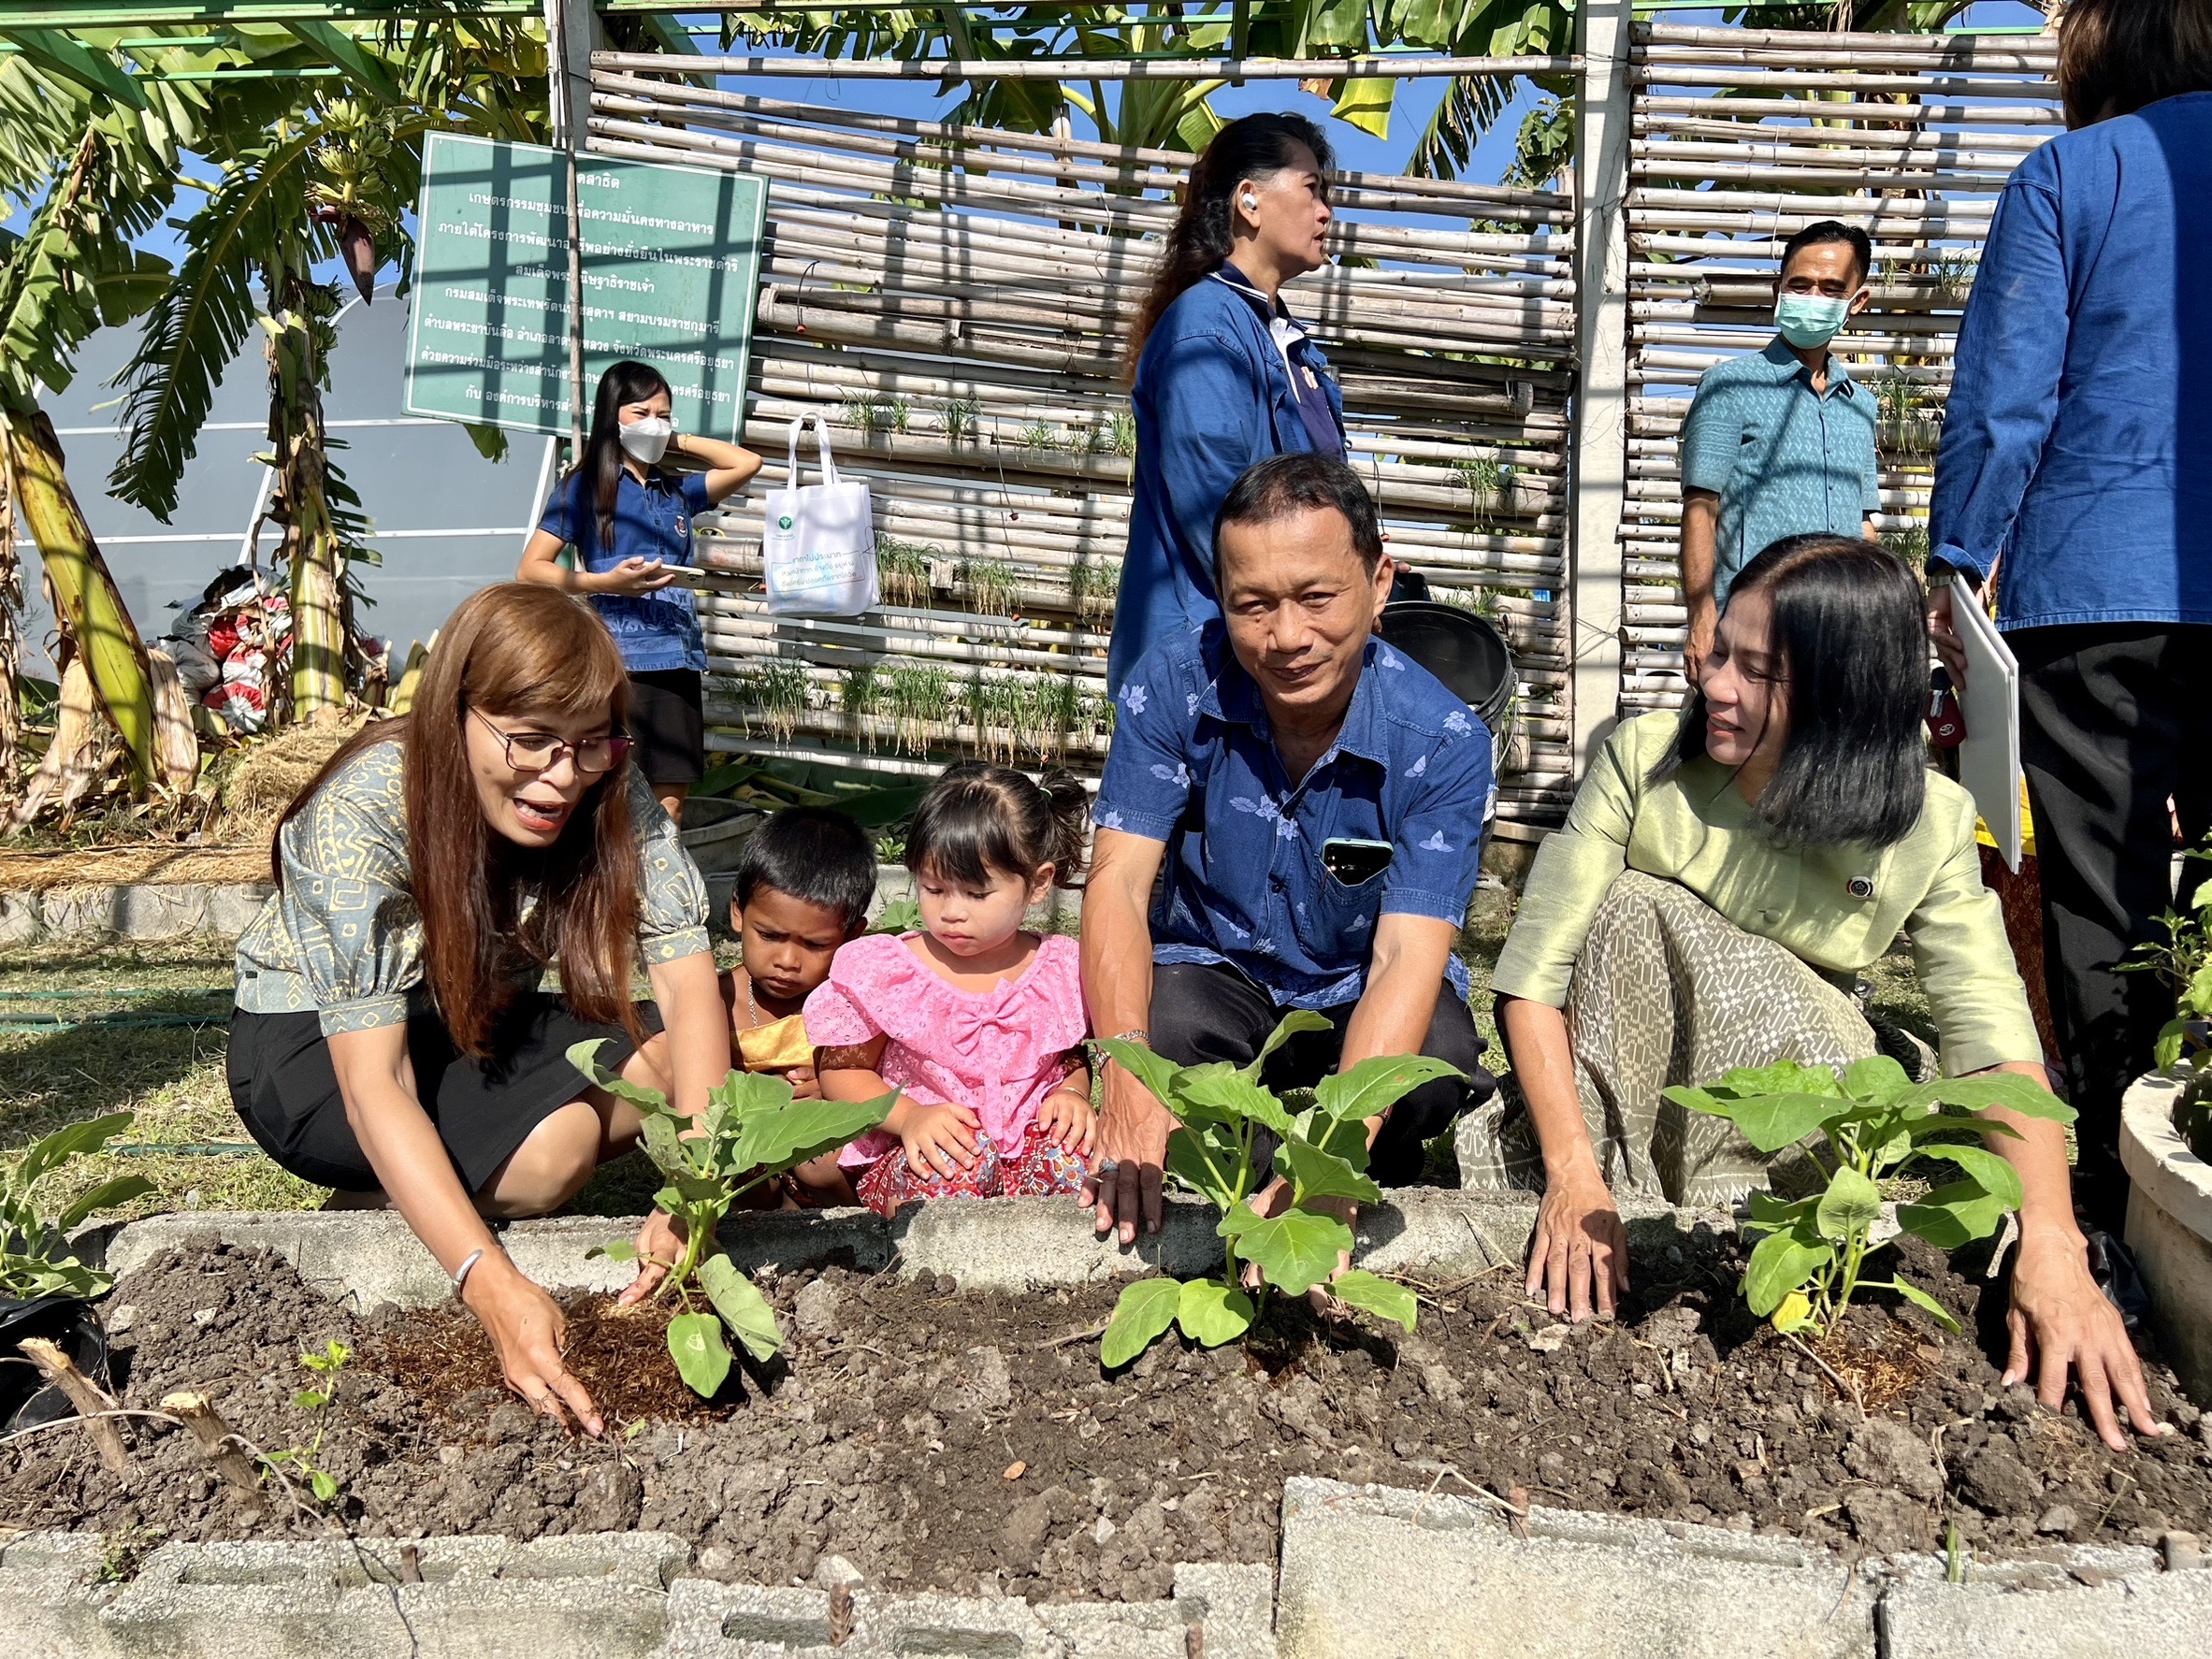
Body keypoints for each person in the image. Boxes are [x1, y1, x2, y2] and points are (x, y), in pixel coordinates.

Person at [1465, 534, 2161, 1451]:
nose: (1715, 685)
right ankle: (1632, 1197)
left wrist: (2054, 1243)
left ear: (1843, 696)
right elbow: (1531, 979)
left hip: (1795, 1090)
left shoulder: (1928, 823)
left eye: (1758, 672)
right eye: (1719, 652)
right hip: (1621, 1085)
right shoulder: (1641, 761)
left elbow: (1991, 1036)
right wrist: (1571, 1174)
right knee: (1632, 909)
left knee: (1835, 1044)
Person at [225, 584, 728, 1436]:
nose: (561, 777)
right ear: (455, 712)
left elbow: (688, 986)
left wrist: (696, 1190)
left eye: (588, 743)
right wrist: (489, 1284)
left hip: (469, 1021)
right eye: (529, 741)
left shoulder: (606, 778)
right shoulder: (362, 810)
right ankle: (393, 1203)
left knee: (678, 1060)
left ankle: (412, 1190)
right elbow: (376, 1082)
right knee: (554, 1158)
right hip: (319, 1055)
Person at [1928, 0, 2212, 1236]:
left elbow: (2004, 404)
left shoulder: (2070, 174)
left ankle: (2119, 1189)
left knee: (2104, 896)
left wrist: (1955, 563)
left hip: (2093, 590)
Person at [1082, 454, 1496, 1248]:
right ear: (1220, 597)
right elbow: (1118, 884)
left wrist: (1330, 1159)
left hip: (1355, 976)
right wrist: (1127, 1072)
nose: (1287, 638)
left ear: (1378, 582)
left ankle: (1345, 1176)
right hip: (1214, 963)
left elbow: (1405, 953)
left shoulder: (1442, 742)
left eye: (1316, 597)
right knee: (1165, 1035)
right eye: (1253, 606)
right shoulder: (1171, 685)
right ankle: (1233, 1181)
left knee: (1431, 1059)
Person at [1108, 113, 1346, 692]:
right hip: (1202, 672)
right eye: (1312, 189)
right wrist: (1328, 589)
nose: (1325, 212)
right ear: (1249, 201)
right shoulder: (1205, 331)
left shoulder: (1285, 341)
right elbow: (1223, 513)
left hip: (1268, 656)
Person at [799, 764, 1094, 1215]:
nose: (952, 912)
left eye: (976, 894)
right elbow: (843, 1071)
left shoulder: (1059, 968)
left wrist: (1072, 1095)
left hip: (1031, 1142)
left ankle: (1052, 1257)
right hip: (926, 1148)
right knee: (947, 1179)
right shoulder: (891, 973)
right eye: (934, 888)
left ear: (1038, 883)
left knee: (1085, 1169)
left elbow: (1067, 1057)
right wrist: (909, 1117)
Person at [518, 359, 761, 821]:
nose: (654, 423)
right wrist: (604, 583)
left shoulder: (677, 492)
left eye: (664, 415)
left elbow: (747, 463)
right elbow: (531, 569)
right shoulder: (583, 488)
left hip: (678, 660)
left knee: (670, 804)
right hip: (616, 662)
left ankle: (658, 871)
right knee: (605, 794)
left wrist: (673, 439)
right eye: (641, 413)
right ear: (612, 416)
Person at [1677, 220, 1881, 681]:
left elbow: (1863, 524)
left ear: (1857, 302)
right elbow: (1701, 507)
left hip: (1840, 632)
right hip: (1749, 631)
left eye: (1831, 289)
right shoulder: (1729, 386)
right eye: (1799, 285)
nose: (1812, 297)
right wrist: (1701, 614)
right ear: (1778, 291)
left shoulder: (1860, 406)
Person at [719, 805, 878, 1101]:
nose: (787, 962)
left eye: (814, 945)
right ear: (738, 912)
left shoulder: (857, 1004)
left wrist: (833, 1085)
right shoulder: (714, 1001)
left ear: (852, 935)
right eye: (769, 936)